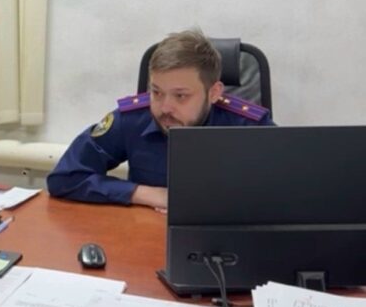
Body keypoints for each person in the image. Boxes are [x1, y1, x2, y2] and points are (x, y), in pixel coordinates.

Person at [47, 29, 275, 211]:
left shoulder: (250, 126)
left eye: (180, 96)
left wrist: (213, 203)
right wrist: (146, 194)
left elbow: (285, 192)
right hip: (145, 236)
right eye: (156, 92)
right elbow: (65, 178)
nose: (165, 108)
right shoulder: (132, 120)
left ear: (214, 92)